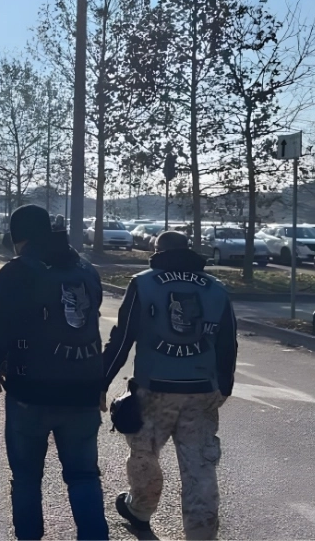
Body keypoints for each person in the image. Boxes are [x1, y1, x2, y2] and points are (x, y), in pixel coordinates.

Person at [0, 204, 108, 541]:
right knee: (84, 476)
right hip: (83, 390)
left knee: (27, 478)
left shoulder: (17, 272)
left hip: (31, 391)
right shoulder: (86, 269)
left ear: (19, 238)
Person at [102, 230, 238, 539]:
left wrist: (102, 380)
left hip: (154, 390)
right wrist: (224, 386)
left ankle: (140, 509)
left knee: (144, 455)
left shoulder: (143, 283)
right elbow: (227, 342)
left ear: (158, 251)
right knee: (199, 466)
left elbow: (123, 337)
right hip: (201, 390)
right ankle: (201, 533)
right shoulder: (217, 288)